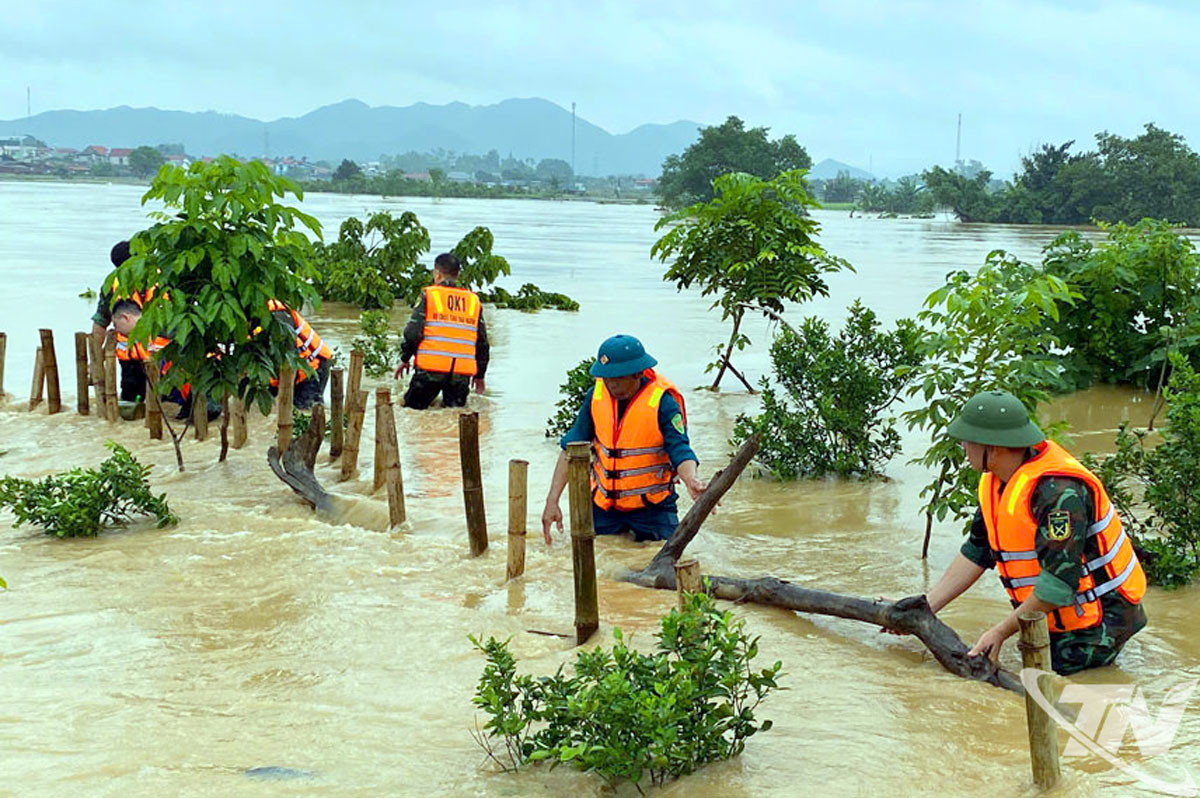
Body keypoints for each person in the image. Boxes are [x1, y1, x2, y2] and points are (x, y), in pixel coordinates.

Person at [922, 390, 1147, 675]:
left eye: (968, 440)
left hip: (1099, 621)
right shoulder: (997, 483)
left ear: (994, 446)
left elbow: (1057, 586)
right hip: (1055, 613)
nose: (963, 447)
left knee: (1063, 693)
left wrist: (1000, 632)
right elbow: (978, 551)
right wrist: (924, 608)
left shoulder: (1058, 494)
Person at [540, 334, 707, 544]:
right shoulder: (595, 397)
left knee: (667, 558)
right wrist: (552, 501)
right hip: (604, 508)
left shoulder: (663, 402)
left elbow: (680, 449)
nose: (612, 385)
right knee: (604, 560)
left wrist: (692, 480)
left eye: (618, 378)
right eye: (607, 377)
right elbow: (570, 449)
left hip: (653, 510)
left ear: (638, 373)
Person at [394, 253, 489, 409]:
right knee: (454, 417)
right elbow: (482, 342)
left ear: (437, 274)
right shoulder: (473, 301)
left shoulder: (430, 295)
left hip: (430, 369)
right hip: (461, 373)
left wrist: (405, 359)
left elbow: (412, 333)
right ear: (458, 274)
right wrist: (480, 375)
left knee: (412, 413)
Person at [265, 300, 333, 409]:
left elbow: (289, 354)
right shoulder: (251, 318)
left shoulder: (278, 315)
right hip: (289, 371)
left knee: (305, 412)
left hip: (313, 368)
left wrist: (285, 390)